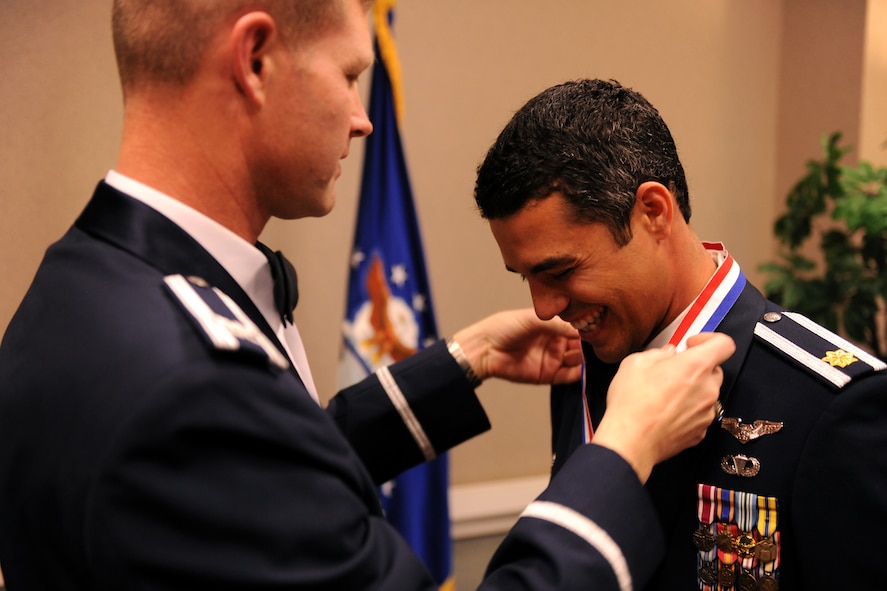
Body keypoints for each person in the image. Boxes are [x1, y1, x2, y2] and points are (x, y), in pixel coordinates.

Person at [0, 2, 735, 589]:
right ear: (254, 59)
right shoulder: (191, 386)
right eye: (351, 74)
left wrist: (464, 359)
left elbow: (270, 487)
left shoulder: (80, 288)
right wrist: (623, 447)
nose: (362, 116)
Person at [473, 77, 887, 591]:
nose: (543, 308)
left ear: (653, 212)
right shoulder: (587, 361)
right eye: (526, 277)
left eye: (559, 272)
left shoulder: (838, 403)